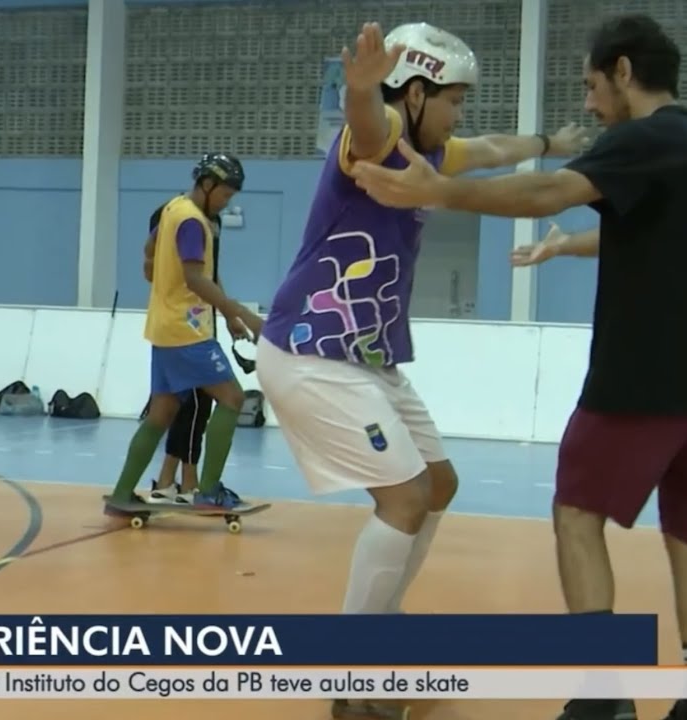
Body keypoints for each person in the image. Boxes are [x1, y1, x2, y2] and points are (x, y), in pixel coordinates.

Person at [349, 14, 687, 720]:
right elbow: (645, 234)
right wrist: (563, 248)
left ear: (624, 73)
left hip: (651, 380)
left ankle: (604, 696)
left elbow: (545, 191)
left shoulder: (644, 136)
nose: (590, 103)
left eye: (593, 86)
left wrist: (437, 192)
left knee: (576, 514)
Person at [254, 20, 587, 720]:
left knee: (438, 483)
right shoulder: (371, 140)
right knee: (403, 499)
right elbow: (366, 123)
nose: (460, 114)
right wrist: (359, 87)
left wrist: (548, 145)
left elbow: (495, 148)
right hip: (314, 350)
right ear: (413, 91)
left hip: (368, 358)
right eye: (454, 99)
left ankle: (382, 631)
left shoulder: (434, 148)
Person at [105, 153, 262, 516]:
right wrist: (245, 316)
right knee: (232, 398)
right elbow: (194, 279)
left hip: (163, 326)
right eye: (224, 195)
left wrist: (164, 279)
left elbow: (152, 253)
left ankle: (122, 493)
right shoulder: (193, 222)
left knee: (162, 411)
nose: (227, 202)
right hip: (187, 329)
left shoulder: (174, 209)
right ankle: (207, 491)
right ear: (207, 185)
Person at [138, 203, 224, 505]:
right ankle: (191, 484)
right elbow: (196, 278)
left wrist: (224, 312)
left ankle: (168, 480)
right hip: (186, 325)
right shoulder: (184, 221)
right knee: (201, 402)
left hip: (185, 322)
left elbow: (211, 276)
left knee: (174, 406)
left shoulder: (197, 220)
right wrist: (234, 311)